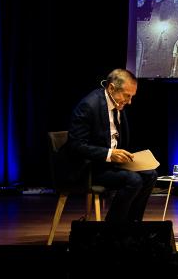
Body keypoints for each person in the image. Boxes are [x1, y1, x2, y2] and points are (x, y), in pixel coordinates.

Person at [66, 69, 157, 222]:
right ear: (112, 88)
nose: (129, 102)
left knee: (150, 175)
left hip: (111, 165)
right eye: (127, 96)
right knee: (133, 180)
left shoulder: (117, 103)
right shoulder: (89, 106)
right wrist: (109, 154)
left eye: (132, 96)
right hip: (91, 167)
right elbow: (75, 145)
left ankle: (134, 226)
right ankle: (111, 230)